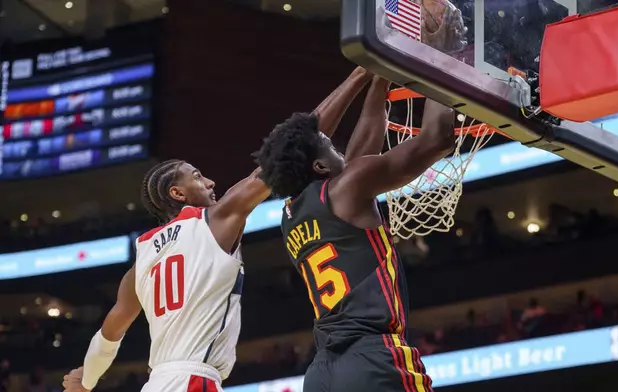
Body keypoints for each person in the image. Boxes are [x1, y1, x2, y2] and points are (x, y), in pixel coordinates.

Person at [61, 67, 374, 392]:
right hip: (191, 381)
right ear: (177, 194)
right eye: (196, 176)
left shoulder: (140, 264)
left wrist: (86, 380)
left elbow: (108, 336)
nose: (210, 182)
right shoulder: (212, 222)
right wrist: (360, 75)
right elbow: (293, 148)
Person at [255, 76, 455, 392]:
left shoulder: (291, 217)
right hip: (373, 357)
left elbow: (361, 155)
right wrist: (441, 62)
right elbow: (437, 139)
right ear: (320, 167)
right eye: (332, 147)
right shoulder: (348, 187)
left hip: (321, 373)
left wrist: (379, 82)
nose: (342, 153)